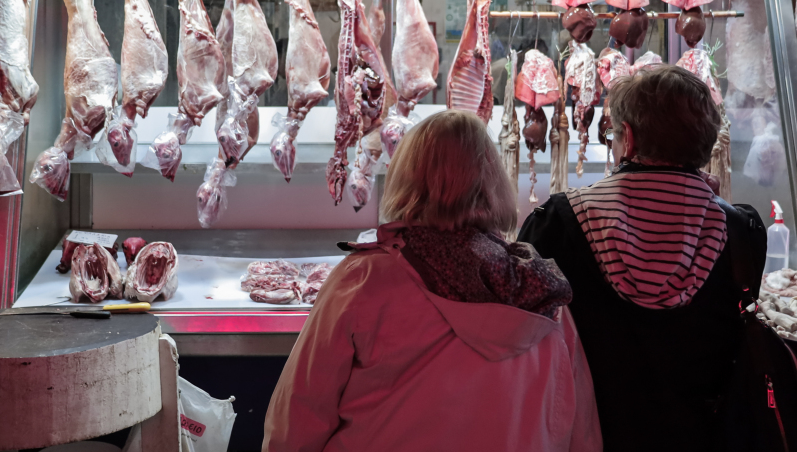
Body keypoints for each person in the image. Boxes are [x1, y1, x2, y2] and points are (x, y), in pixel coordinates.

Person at [263, 109, 602, 452]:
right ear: (494, 182)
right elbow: (582, 434)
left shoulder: (364, 280)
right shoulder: (546, 297)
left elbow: (298, 419)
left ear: (406, 180)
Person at [518, 65, 766, 452]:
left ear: (628, 138)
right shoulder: (740, 230)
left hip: (588, 435)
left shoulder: (557, 223)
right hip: (704, 437)